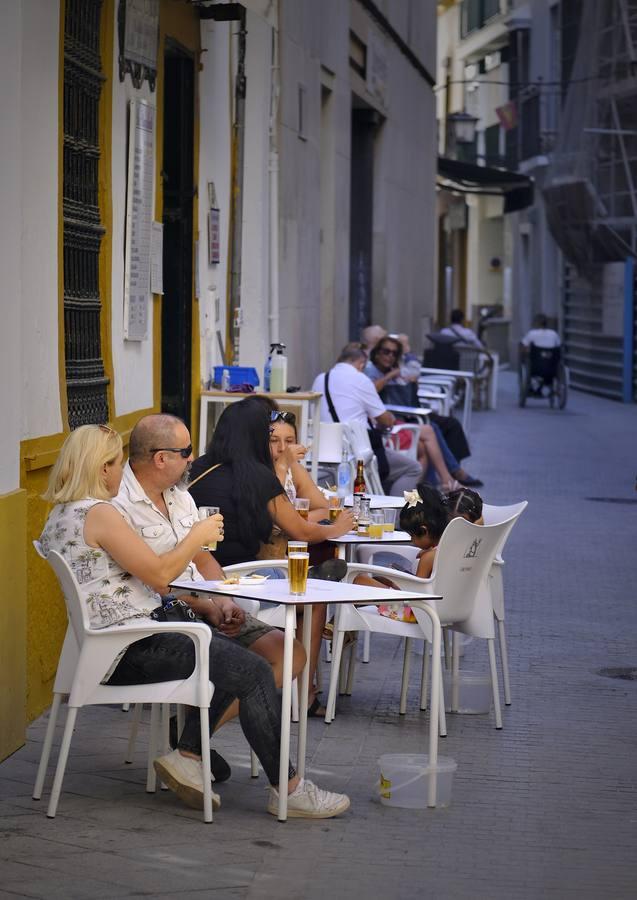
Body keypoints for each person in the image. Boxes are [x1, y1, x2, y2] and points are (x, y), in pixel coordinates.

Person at [39, 424, 350, 819]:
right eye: (117, 464)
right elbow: (158, 576)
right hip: (133, 645)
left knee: (240, 660)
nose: (121, 472)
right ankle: (288, 790)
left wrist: (207, 603)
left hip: (119, 639)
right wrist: (197, 536)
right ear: (101, 468)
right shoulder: (101, 514)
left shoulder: (61, 514)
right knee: (254, 671)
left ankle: (191, 753)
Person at [111, 413, 305, 778]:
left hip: (205, 606)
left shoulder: (181, 495)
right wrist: (205, 605)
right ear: (160, 458)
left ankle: (189, 742)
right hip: (169, 615)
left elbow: (203, 557)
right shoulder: (118, 507)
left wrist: (223, 601)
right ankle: (194, 748)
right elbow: (153, 582)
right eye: (186, 452)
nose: (192, 458)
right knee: (252, 668)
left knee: (290, 653)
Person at [188, 398, 355, 713]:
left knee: (307, 586)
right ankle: (305, 694)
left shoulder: (198, 468)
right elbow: (301, 531)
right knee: (314, 600)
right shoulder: (257, 476)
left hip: (197, 576)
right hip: (239, 583)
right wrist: (336, 528)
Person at [364, 336, 482, 488]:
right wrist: (390, 377)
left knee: (444, 428)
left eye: (394, 353)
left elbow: (410, 384)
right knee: (430, 431)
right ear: (377, 353)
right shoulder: (371, 370)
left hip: (404, 414)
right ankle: (447, 479)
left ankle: (431, 487)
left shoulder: (393, 369)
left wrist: (409, 381)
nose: (390, 356)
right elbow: (371, 391)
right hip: (388, 422)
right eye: (386, 352)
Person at [311, 343, 423, 496]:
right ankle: (399, 516)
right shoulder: (360, 379)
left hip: (326, 450)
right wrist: (388, 417)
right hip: (358, 452)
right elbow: (385, 420)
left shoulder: (320, 378)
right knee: (413, 468)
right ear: (361, 364)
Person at [398, 484, 449, 580]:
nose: (411, 540)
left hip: (421, 593)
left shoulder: (428, 558)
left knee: (363, 579)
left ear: (424, 531)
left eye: (412, 535)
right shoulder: (453, 546)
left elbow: (417, 591)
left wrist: (393, 583)